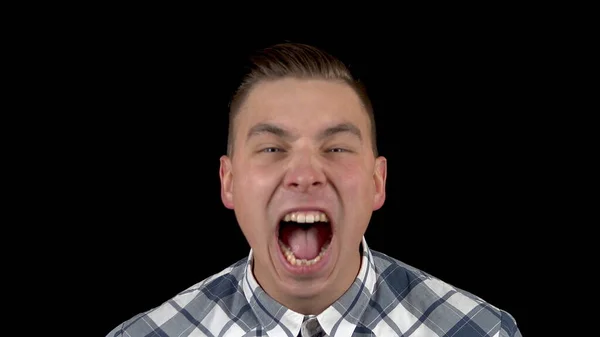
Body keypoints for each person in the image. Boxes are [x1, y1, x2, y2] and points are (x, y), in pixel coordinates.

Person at [106, 42, 522, 337]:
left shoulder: (481, 331)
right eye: (272, 148)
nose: (305, 174)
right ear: (228, 182)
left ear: (378, 183)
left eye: (336, 147)